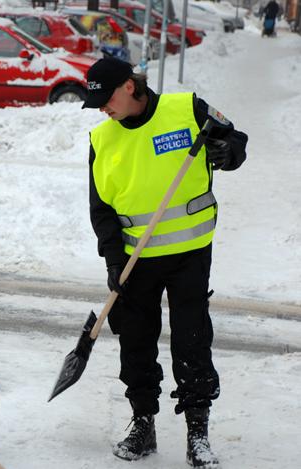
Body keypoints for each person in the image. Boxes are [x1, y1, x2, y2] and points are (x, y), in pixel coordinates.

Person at [82, 58, 248, 468]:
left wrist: (227, 153)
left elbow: (237, 140)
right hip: (135, 260)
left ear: (128, 86)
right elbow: (100, 207)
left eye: (106, 99)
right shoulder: (102, 139)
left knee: (191, 339)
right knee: (135, 341)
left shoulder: (187, 109)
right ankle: (143, 423)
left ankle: (198, 432)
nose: (103, 108)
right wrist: (112, 257)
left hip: (190, 252)